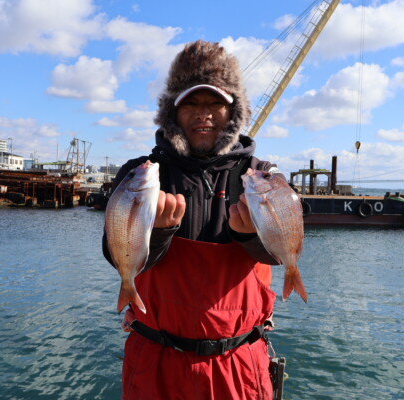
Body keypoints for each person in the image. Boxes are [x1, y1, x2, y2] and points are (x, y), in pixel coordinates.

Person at [103, 40, 283, 399]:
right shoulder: (141, 174)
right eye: (191, 104)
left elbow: (280, 253)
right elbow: (115, 253)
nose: (204, 114)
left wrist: (249, 237)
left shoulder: (260, 177)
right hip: (156, 361)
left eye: (215, 103)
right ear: (173, 112)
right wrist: (158, 234)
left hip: (239, 364)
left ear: (233, 111)